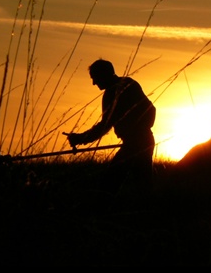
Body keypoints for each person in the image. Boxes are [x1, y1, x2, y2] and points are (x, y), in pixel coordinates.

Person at [64, 59, 156, 195]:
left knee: (110, 182)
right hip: (144, 141)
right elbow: (151, 109)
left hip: (135, 144)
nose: (94, 83)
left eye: (95, 78)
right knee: (143, 183)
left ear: (104, 74)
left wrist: (80, 138)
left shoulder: (112, 93)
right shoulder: (130, 83)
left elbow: (104, 126)